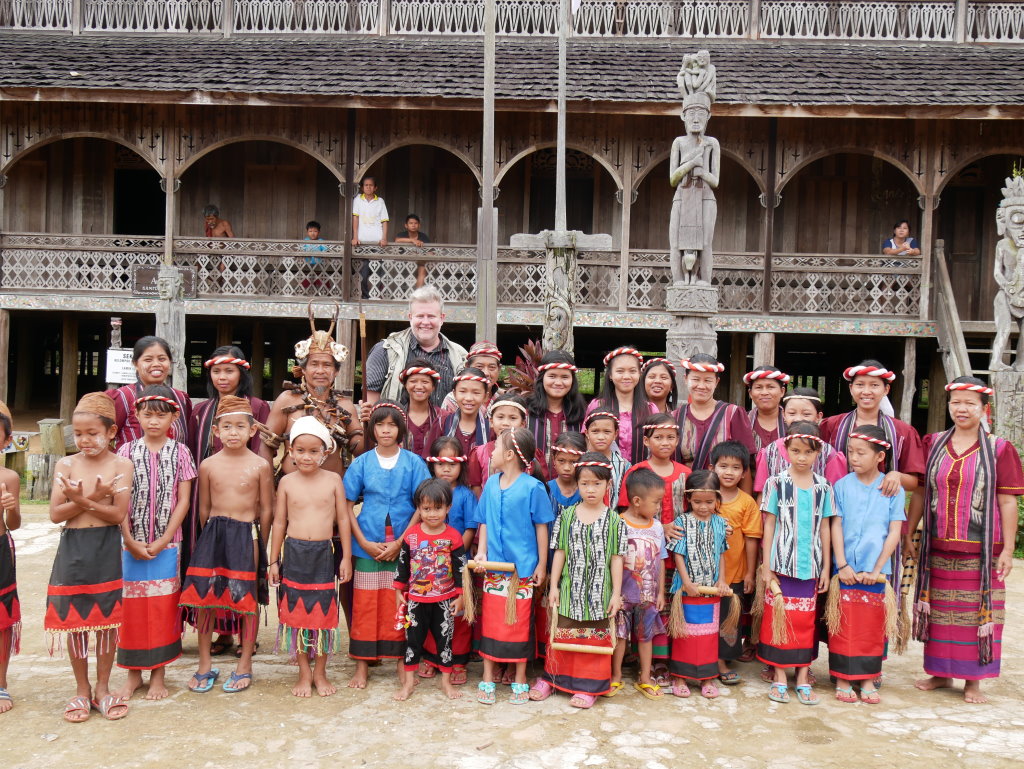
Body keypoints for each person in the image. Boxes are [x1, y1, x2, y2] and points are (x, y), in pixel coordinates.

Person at [907, 376, 1024, 704]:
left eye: (969, 403)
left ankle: (974, 680)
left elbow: (1007, 501)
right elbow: (920, 492)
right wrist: (910, 532)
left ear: (984, 409)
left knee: (977, 615)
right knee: (940, 614)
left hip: (982, 551)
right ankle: (940, 673)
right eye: (956, 402)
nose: (961, 409)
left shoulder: (999, 449)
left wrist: (1009, 548)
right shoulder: (933, 443)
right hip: (937, 545)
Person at [46, 393, 133, 723]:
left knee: (107, 621)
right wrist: (93, 499)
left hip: (106, 547)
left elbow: (117, 515)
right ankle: (81, 689)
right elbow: (56, 514)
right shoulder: (66, 465)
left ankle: (102, 688)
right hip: (73, 549)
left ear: (111, 432)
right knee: (76, 621)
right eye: (78, 433)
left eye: (92, 433)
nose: (84, 440)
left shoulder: (121, 465)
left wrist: (85, 500)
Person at [179, 396, 274, 694]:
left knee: (247, 600)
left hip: (247, 533)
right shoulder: (208, 465)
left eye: (240, 426)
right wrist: (209, 537)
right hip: (214, 533)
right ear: (216, 431)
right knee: (205, 599)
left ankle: (245, 664)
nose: (233, 432)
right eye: (227, 426)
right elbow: (203, 508)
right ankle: (204, 664)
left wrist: (261, 541)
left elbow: (267, 509)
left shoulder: (260, 465)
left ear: (252, 430)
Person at [187, 346, 272, 656]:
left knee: (243, 577)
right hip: (214, 498)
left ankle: (245, 639)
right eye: (216, 371)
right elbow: (195, 451)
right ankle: (222, 634)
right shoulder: (201, 410)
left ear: (242, 373)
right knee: (216, 575)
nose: (222, 377)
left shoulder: (258, 407)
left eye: (229, 370)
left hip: (247, 495)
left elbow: (264, 450)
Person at [115, 386, 196, 701]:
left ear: (174, 417)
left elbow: (183, 500)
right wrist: (128, 538)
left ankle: (159, 674)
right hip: (130, 544)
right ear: (136, 415)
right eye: (147, 414)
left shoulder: (181, 452)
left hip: (168, 544)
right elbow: (119, 498)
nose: (153, 421)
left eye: (161, 416)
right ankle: (133, 674)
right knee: (132, 609)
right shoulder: (125, 452)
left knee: (163, 607)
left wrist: (163, 539)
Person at [344, 401, 430, 690]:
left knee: (400, 602)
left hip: (405, 543)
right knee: (365, 604)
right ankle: (362, 664)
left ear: (401, 429)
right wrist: (362, 542)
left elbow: (422, 506)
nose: (385, 430)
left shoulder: (414, 463)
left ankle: (402, 663)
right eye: (380, 425)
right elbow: (346, 506)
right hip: (367, 542)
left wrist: (401, 542)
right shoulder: (361, 463)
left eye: (392, 425)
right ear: (372, 429)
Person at [530, 453, 626, 709]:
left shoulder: (615, 521)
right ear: (578, 484)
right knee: (561, 635)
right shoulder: (567, 516)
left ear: (608, 485)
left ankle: (588, 687)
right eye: (584, 483)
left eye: (597, 484)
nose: (590, 489)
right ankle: (553, 679)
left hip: (599, 595)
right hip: (569, 591)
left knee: (594, 640)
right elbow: (560, 552)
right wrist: (554, 586)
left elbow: (617, 559)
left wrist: (616, 594)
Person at [269, 416, 351, 698]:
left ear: (325, 453)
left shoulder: (333, 480)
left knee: (323, 616)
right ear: (290, 451)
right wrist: (273, 561)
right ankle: (304, 673)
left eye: (313, 451)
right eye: (300, 450)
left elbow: (343, 519)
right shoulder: (286, 482)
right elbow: (279, 522)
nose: (306, 457)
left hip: (323, 554)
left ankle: (320, 672)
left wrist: (346, 558)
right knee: (297, 616)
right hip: (293, 554)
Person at [472, 428, 553, 705]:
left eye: (495, 448)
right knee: (492, 622)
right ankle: (487, 676)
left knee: (519, 623)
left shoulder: (533, 487)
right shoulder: (491, 485)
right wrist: (481, 552)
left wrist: (541, 564)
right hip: (494, 568)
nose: (491, 452)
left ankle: (520, 678)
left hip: (523, 571)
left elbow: (541, 527)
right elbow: (484, 521)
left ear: (508, 455)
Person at [758, 423, 835, 706]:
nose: (802, 457)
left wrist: (825, 568)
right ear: (786, 450)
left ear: (818, 452)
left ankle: (802, 675)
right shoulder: (776, 483)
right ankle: (779, 675)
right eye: (796, 451)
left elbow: (825, 527)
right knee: (779, 618)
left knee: (804, 622)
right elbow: (769, 524)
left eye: (808, 452)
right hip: (781, 565)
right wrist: (767, 567)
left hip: (810, 568)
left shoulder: (824, 486)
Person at [828, 424, 905, 705]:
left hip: (876, 571)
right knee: (844, 624)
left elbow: (894, 531)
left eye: (861, 453)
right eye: (851, 452)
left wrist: (877, 568)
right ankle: (843, 677)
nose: (854, 458)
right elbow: (836, 524)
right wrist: (842, 564)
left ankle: (868, 678)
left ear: (880, 456)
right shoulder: (841, 486)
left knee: (871, 627)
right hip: (846, 569)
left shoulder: (892, 489)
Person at [617, 412, 690, 679]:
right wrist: (662, 526)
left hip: (675, 555)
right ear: (647, 440)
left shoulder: (686, 474)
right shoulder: (636, 472)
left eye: (671, 437)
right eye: (658, 437)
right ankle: (635, 659)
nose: (665, 442)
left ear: (678, 440)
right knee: (637, 607)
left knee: (664, 606)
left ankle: (661, 661)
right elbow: (625, 509)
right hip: (640, 556)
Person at [264, 309, 362, 479]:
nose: (320, 371)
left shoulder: (345, 405)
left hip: (332, 490)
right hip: (291, 489)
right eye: (314, 364)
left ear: (336, 371)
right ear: (303, 369)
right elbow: (266, 445)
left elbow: (360, 451)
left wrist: (369, 424)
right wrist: (268, 487)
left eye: (327, 365)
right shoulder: (287, 400)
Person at [393, 478, 467, 701]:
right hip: (416, 600)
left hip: (445, 600)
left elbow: (460, 568)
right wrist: (398, 591)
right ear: (418, 508)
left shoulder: (454, 537)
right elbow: (403, 565)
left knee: (445, 641)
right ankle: (408, 684)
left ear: (448, 508)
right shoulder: (411, 536)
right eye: (426, 509)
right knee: (412, 642)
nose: (432, 514)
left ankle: (445, 683)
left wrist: (460, 596)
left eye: (437, 508)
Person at [819, 360, 924, 498]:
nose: (866, 391)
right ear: (851, 388)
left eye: (874, 385)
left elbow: (913, 482)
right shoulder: (831, 425)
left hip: (883, 505)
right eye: (860, 385)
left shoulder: (903, 431)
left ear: (886, 390)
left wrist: (896, 476)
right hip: (838, 504)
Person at [668, 470, 731, 699]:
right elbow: (678, 555)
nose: (703, 507)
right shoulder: (682, 522)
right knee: (684, 635)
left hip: (710, 591)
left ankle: (707, 677)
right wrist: (686, 582)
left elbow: (721, 553)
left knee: (708, 636)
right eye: (697, 502)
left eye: (709, 502)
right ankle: (680, 676)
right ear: (688, 499)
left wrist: (721, 580)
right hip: (687, 590)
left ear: (717, 499)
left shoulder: (720, 523)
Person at [419, 436, 477, 684]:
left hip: (458, 563)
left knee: (458, 612)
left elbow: (470, 528)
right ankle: (432, 658)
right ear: (432, 465)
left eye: (452, 464)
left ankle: (458, 661)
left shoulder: (465, 495)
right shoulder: (427, 493)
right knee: (431, 610)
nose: (446, 469)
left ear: (461, 466)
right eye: (441, 463)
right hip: (430, 565)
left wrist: (454, 555)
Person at [613, 468, 668, 700]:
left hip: (648, 595)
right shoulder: (618, 523)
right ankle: (615, 675)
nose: (659, 507)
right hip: (623, 595)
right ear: (637, 501)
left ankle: (645, 677)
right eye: (656, 502)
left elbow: (661, 560)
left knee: (646, 636)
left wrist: (660, 592)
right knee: (620, 636)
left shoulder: (657, 527)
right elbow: (613, 558)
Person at [364, 285, 469, 407]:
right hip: (397, 420)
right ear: (410, 317)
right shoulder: (385, 350)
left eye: (431, 316)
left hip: (446, 420)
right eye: (420, 316)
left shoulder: (461, 355)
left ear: (442, 318)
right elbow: (371, 406)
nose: (425, 322)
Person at [710, 440, 762, 681]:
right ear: (712, 468)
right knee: (708, 617)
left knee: (729, 618)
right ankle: (711, 660)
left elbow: (752, 539)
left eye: (735, 467)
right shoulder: (705, 497)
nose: (729, 472)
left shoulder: (747, 502)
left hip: (735, 573)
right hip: (706, 573)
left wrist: (750, 573)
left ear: (743, 473)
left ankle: (723, 658)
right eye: (723, 466)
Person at [754, 387, 849, 497]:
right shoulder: (770, 451)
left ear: (818, 416)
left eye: (806, 414)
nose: (798, 419)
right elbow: (762, 494)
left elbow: (835, 495)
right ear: (784, 415)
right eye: (792, 413)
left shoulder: (829, 454)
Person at [673, 355, 755, 481]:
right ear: (685, 379)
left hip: (724, 491)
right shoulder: (674, 417)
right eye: (695, 379)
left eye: (708, 380)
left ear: (716, 382)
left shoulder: (733, 414)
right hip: (683, 489)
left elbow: (745, 464)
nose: (701, 386)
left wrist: (744, 494)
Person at [107, 336, 192, 451]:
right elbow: (101, 435)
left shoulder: (180, 398)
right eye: (148, 360)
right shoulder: (123, 397)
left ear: (170, 362)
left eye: (162, 359)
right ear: (135, 364)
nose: (156, 364)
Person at [586, 346, 655, 464]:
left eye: (632, 371)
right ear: (610, 375)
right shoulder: (597, 405)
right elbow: (588, 442)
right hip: (604, 472)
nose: (626, 376)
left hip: (641, 473)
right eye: (620, 371)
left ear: (639, 374)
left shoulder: (650, 409)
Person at [528, 350, 587, 465]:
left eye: (565, 377)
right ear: (542, 378)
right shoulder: (526, 412)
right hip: (531, 476)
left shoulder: (583, 414)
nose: (558, 382)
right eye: (552, 376)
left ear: (572, 380)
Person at [0, 401, 21, 714]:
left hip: (0, 546)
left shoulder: (9, 477)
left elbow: (14, 524)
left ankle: (0, 683)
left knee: (2, 619)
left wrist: (11, 507)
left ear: (6, 440)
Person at [468, 393, 533, 495]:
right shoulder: (479, 453)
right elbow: (476, 488)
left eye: (513, 418)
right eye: (500, 417)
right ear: (491, 422)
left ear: (522, 424)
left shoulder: (531, 454)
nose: (505, 423)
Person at [440, 368, 492, 459]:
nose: (468, 398)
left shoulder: (490, 429)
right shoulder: (442, 423)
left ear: (485, 396)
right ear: (454, 394)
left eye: (476, 392)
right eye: (463, 391)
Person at [397, 360, 443, 459]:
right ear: (405, 385)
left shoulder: (443, 417)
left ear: (433, 386)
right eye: (413, 381)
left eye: (425, 382)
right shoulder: (396, 416)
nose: (419, 387)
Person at [441, 340, 502, 413]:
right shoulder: (453, 400)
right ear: (467, 366)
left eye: (492, 367)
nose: (486, 373)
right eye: (479, 366)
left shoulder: (501, 400)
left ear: (499, 369)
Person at [584, 410, 630, 504]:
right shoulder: (579, 462)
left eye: (607, 431)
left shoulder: (624, 466)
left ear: (615, 434)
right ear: (587, 433)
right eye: (595, 431)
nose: (601, 437)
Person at [744, 365, 790, 453]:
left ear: (782, 391)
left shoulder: (793, 423)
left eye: (770, 387)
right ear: (750, 393)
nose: (764, 392)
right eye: (758, 387)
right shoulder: (742, 421)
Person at [351, 177, 389, 247]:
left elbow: (384, 221)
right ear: (362, 188)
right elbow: (355, 218)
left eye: (371, 185)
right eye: (366, 185)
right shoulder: (357, 199)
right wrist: (355, 237)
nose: (368, 187)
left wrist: (384, 238)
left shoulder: (380, 201)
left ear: (375, 188)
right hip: (361, 240)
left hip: (378, 241)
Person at [301, 220, 330, 291]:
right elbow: (301, 251)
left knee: (323, 282)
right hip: (307, 266)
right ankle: (304, 292)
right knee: (306, 283)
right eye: (310, 231)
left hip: (319, 267)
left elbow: (326, 251)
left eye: (315, 231)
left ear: (319, 232)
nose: (312, 233)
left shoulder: (321, 241)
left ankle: (326, 292)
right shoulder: (305, 241)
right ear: (307, 232)